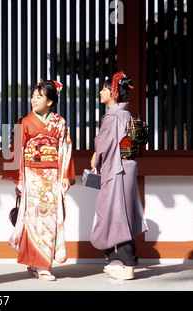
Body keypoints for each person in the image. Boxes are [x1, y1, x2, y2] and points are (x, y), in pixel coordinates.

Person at [2, 80, 75, 281]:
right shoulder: (25, 122)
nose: (34, 99)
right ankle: (38, 265)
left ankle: (41, 264)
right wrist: (18, 180)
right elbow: (17, 151)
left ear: (50, 101)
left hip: (52, 177)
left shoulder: (59, 122)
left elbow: (65, 150)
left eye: (39, 96)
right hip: (32, 177)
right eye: (33, 96)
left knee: (49, 220)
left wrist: (65, 176)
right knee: (33, 220)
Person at [90, 72, 148, 280]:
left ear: (113, 93)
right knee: (119, 210)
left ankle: (127, 263)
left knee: (116, 213)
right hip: (126, 165)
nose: (101, 92)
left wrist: (96, 157)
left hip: (117, 168)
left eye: (104, 89)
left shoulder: (113, 116)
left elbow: (104, 145)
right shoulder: (125, 114)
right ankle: (117, 260)